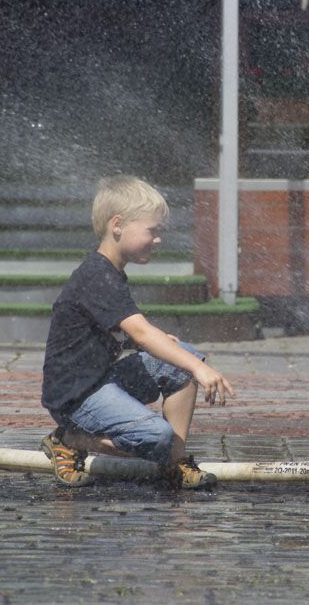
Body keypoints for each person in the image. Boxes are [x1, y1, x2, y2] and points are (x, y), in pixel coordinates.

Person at [41, 175, 235, 489]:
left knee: (180, 357)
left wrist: (173, 351)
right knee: (157, 436)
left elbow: (108, 328)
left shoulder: (111, 273)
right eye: (152, 231)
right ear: (117, 224)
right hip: (75, 398)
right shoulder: (96, 275)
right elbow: (142, 332)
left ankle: (176, 459)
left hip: (98, 379)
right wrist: (199, 368)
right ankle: (70, 438)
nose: (158, 240)